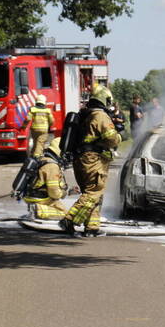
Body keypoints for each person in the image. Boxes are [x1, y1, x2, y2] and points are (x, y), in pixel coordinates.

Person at [59, 88, 121, 237]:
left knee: (92, 194)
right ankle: (70, 220)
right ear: (104, 100)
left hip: (80, 159)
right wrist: (119, 136)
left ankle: (92, 227)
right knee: (94, 192)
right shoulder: (100, 115)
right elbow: (111, 139)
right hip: (93, 159)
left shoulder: (84, 114)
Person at [22, 137, 68, 220]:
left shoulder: (44, 159)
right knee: (64, 214)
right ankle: (37, 210)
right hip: (41, 198)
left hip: (32, 195)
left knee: (62, 208)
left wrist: (68, 190)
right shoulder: (52, 166)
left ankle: (36, 209)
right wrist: (63, 193)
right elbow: (54, 192)